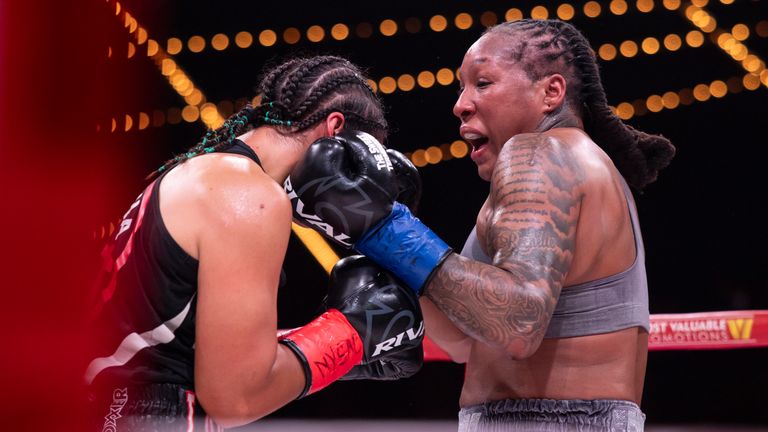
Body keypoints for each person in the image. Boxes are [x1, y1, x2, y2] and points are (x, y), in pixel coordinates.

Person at [287, 19, 676, 431]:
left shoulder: (540, 154)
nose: (461, 104)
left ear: (551, 92)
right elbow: (463, 341)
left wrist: (386, 228)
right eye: (462, 87)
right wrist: (388, 247)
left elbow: (519, 323)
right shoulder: (574, 163)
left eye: (484, 83)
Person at [83, 55, 426, 431]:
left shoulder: (199, 173)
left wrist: (340, 353)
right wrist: (352, 335)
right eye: (355, 166)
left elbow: (179, 344)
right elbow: (235, 398)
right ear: (334, 129)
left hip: (109, 409)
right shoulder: (250, 196)